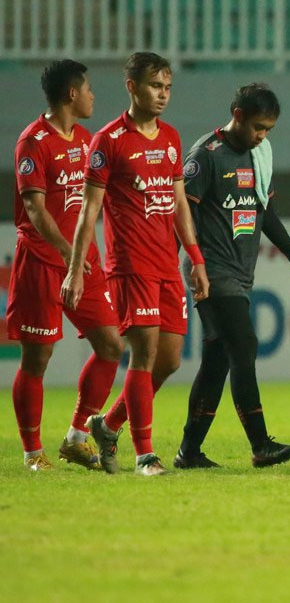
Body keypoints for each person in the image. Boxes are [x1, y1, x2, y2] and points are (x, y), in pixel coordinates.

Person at [62, 52, 209, 476]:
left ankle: (107, 426)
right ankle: (145, 455)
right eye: (154, 86)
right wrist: (75, 268)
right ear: (131, 86)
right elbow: (89, 212)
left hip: (167, 264)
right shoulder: (107, 141)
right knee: (142, 355)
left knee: (170, 360)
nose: (162, 95)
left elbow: (179, 203)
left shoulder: (171, 138)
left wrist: (194, 258)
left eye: (167, 88)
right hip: (131, 266)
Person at [174, 84, 290, 469]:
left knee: (217, 360)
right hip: (211, 269)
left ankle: (189, 451)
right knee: (244, 344)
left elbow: (263, 210)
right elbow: (180, 215)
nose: (261, 135)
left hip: (239, 271)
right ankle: (260, 444)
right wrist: (181, 266)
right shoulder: (206, 156)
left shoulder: (259, 153)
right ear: (236, 113)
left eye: (268, 129)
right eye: (257, 127)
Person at [7, 59, 123, 472]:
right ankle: (33, 454)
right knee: (37, 359)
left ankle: (76, 436)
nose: (93, 95)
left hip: (85, 265)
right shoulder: (33, 142)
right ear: (71, 94)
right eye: (89, 89)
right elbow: (35, 210)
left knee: (112, 346)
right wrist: (66, 254)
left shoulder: (87, 140)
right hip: (42, 261)